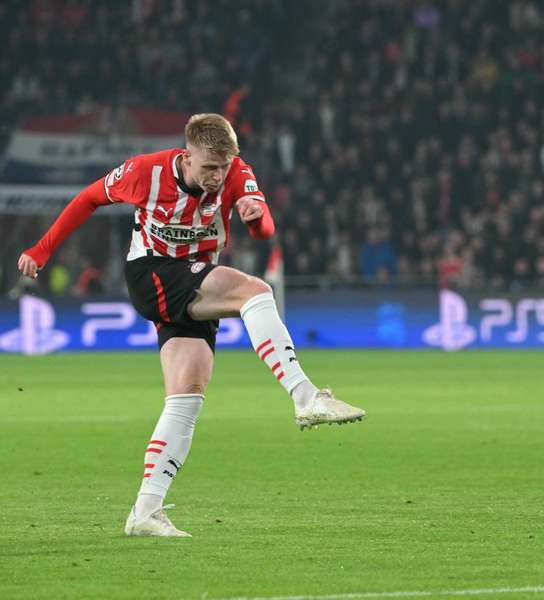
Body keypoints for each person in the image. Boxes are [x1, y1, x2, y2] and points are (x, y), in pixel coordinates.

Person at [17, 113, 365, 538]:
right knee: (254, 292)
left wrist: (254, 215)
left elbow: (264, 231)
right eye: (209, 168)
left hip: (195, 275)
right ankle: (306, 396)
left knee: (186, 398)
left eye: (223, 167)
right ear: (187, 156)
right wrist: (41, 248)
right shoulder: (145, 172)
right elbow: (88, 198)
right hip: (152, 272)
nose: (218, 176)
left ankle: (145, 511)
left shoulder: (237, 172)